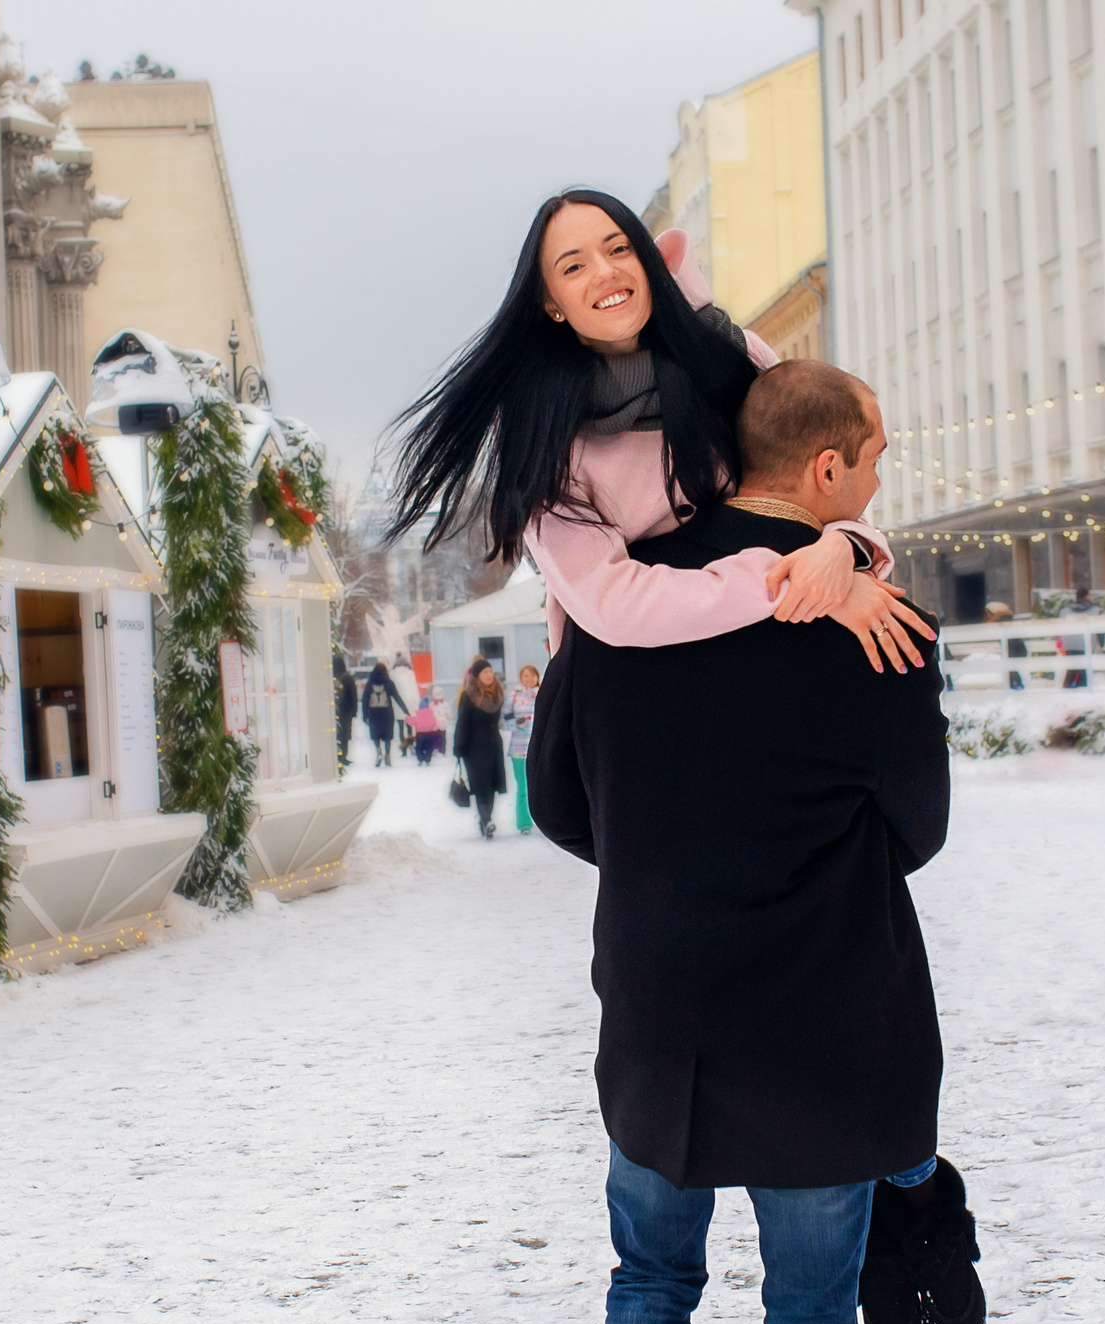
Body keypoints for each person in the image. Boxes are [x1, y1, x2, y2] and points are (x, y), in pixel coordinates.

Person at [529, 359, 983, 1324]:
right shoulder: (877, 626)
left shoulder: (624, 598)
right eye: (877, 455)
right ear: (828, 467)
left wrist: (668, 854)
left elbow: (560, 802)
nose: (882, 477)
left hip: (661, 1015)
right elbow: (917, 829)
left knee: (649, 1283)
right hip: (823, 1026)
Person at [385, 190, 935, 675]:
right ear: (551, 304)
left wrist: (843, 548)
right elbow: (613, 604)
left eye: (619, 248)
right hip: (631, 686)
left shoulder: (731, 354)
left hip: (770, 654)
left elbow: (826, 477)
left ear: (648, 261)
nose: (605, 272)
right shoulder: (540, 432)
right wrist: (787, 581)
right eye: (574, 267)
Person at [450, 655, 507, 839]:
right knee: (481, 785)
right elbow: (462, 722)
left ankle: (486, 819)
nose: (489, 675)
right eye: (485, 672)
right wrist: (458, 746)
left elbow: (505, 718)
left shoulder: (498, 693)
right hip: (473, 748)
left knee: (491, 785)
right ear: (477, 676)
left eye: (491, 671)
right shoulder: (469, 695)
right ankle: (486, 820)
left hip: (493, 745)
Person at [502, 661, 542, 834]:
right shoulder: (513, 696)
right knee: (523, 788)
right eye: (526, 675)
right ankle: (524, 823)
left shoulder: (543, 693)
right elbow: (504, 721)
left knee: (542, 787)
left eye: (533, 675)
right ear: (521, 678)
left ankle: (546, 823)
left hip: (540, 748)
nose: (530, 678)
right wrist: (516, 723)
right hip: (519, 749)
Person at [360, 660, 406, 766]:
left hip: (374, 713)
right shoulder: (388, 683)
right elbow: (397, 697)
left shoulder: (370, 683)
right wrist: (405, 710)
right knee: (387, 736)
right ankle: (388, 755)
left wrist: (364, 715)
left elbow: (365, 700)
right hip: (387, 713)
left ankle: (378, 752)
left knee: (375, 735)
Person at [334, 654, 358, 774]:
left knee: (339, 734)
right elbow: (353, 695)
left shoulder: (334, 678)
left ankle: (341, 756)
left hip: (338, 710)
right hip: (347, 710)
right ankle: (344, 755)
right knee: (346, 734)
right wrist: (354, 710)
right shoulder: (348, 678)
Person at [408, 687, 444, 764]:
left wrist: (407, 719)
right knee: (429, 747)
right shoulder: (432, 714)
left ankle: (420, 759)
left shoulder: (418, 714)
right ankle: (427, 759)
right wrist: (436, 728)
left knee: (419, 747)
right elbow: (436, 723)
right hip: (430, 734)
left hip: (420, 734)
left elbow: (412, 721)